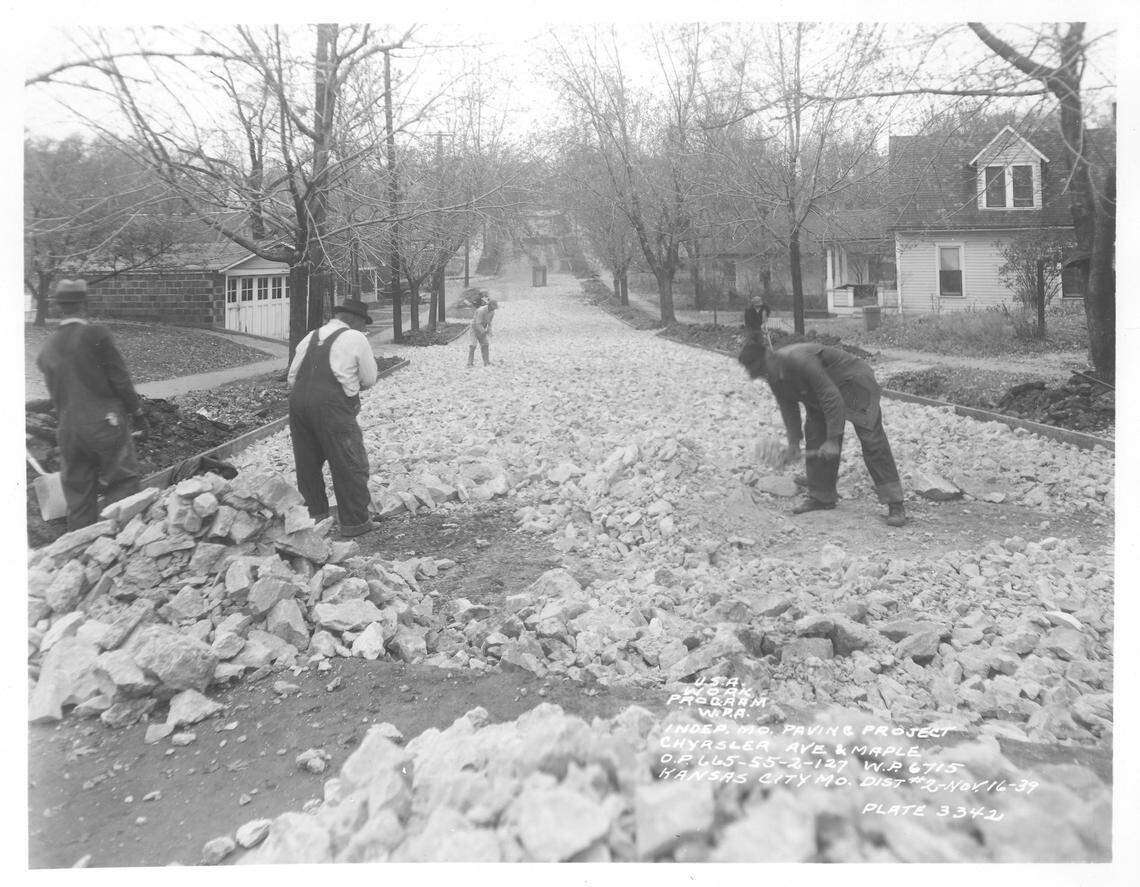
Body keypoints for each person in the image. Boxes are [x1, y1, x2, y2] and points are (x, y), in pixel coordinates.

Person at [738, 331, 907, 527]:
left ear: (768, 356)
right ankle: (821, 496)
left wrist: (833, 440)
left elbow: (831, 397)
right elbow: (788, 407)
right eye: (758, 374)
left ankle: (895, 503)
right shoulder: (773, 374)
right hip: (821, 392)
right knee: (815, 434)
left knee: (871, 440)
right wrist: (793, 443)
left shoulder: (799, 360)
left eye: (761, 369)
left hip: (854, 382)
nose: (762, 376)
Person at [36, 279, 142, 530]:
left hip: (69, 431)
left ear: (59, 307)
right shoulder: (96, 334)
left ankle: (82, 546)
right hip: (104, 423)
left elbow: (56, 394)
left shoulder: (47, 348)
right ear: (84, 304)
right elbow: (120, 378)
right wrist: (137, 411)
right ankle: (119, 543)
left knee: (79, 498)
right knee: (122, 483)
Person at [288, 298, 379, 538]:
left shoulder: (309, 337)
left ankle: (315, 519)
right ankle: (355, 523)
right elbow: (369, 379)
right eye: (363, 323)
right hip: (332, 405)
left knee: (307, 463)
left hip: (298, 404)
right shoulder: (356, 338)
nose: (363, 328)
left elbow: (292, 378)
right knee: (349, 462)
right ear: (355, 320)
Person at [468, 297, 498, 367]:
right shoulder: (481, 310)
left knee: (485, 344)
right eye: (494, 307)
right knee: (473, 345)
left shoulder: (492, 312)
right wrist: (484, 332)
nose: (494, 309)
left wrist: (489, 331)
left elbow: (489, 323)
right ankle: (469, 363)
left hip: (483, 328)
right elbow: (478, 323)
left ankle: (486, 362)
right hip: (474, 328)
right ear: (490, 305)